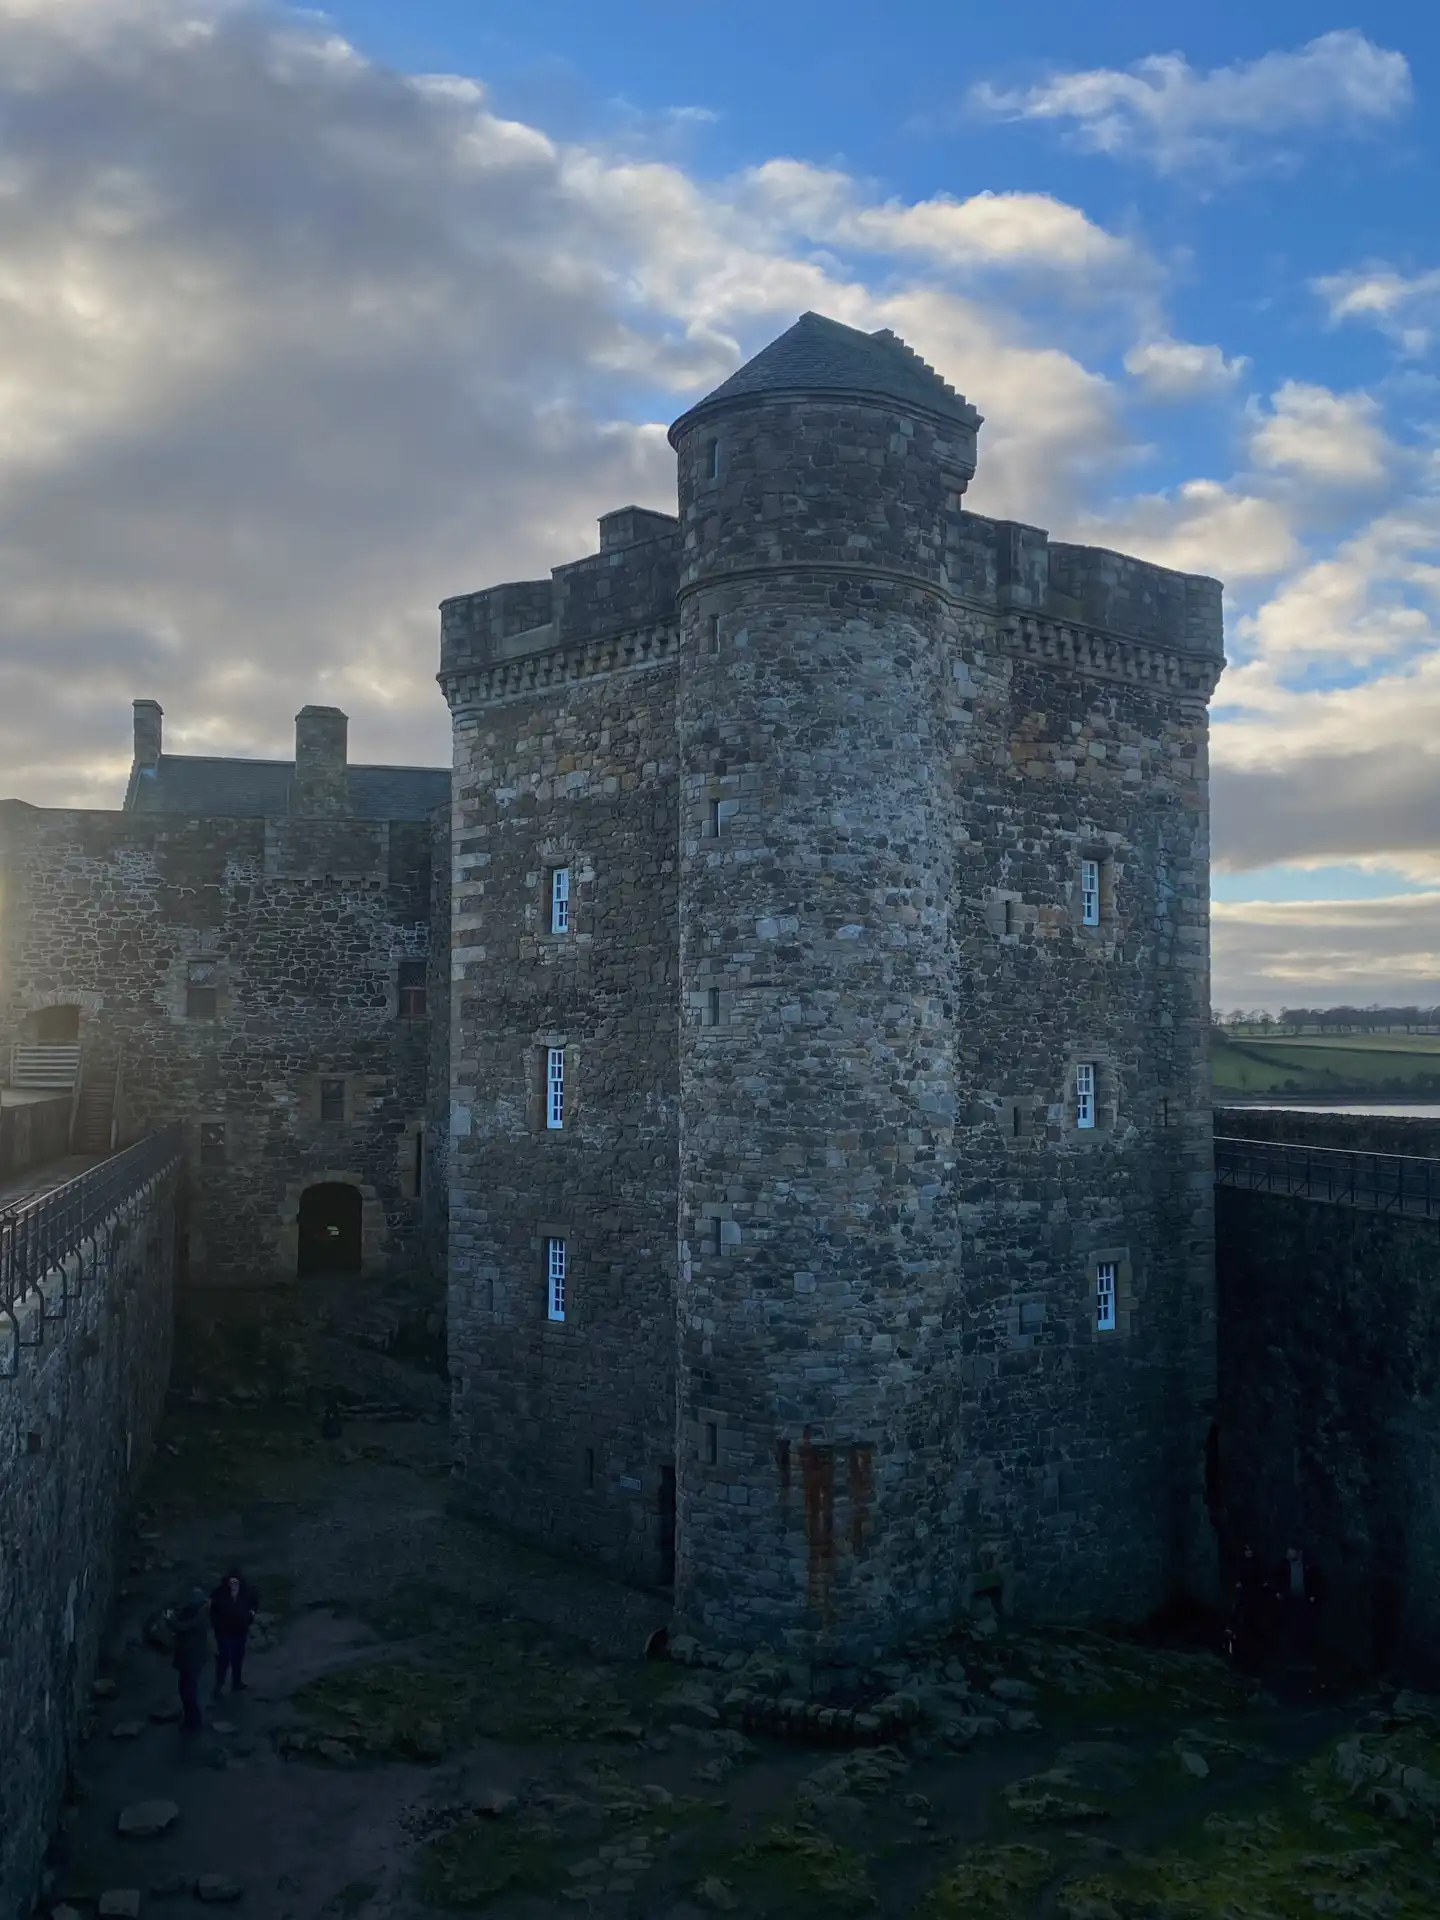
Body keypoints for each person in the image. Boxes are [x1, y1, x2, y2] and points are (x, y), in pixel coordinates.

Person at [210, 1567, 259, 1697]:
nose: (234, 1586)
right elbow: (212, 1610)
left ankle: (236, 1683)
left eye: (236, 1583)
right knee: (224, 1658)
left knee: (238, 1657)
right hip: (224, 1632)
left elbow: (254, 1603)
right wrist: (217, 1625)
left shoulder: (247, 1592)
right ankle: (218, 1687)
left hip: (240, 1630)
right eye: (231, 1583)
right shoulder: (219, 1593)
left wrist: (251, 1614)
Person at [1274, 1543, 1326, 1664]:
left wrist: (1314, 1596)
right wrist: (1278, 1592)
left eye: (1291, 1551)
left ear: (1298, 1552)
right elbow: (1275, 1579)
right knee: (1289, 1627)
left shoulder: (1309, 1565)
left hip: (1305, 1602)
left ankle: (1305, 1656)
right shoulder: (1283, 1564)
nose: (1288, 1553)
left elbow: (1318, 1581)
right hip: (1289, 1601)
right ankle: (1289, 1657)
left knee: (1305, 1628)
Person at [170, 1588, 210, 1731]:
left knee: (188, 1693)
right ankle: (189, 1719)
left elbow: (181, 1627)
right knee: (184, 1690)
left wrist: (171, 1619)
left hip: (193, 1660)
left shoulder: (200, 1618)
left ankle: (194, 1722)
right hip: (187, 1658)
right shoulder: (194, 1612)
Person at [1227, 1543, 1271, 1666]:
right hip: (1244, 1599)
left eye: (1250, 1550)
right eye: (1247, 1550)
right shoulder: (1241, 1564)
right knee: (1241, 1624)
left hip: (1254, 1599)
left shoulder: (1258, 1564)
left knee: (1252, 1625)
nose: (1249, 1552)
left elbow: (1262, 1580)